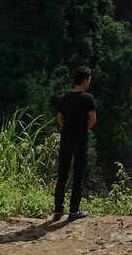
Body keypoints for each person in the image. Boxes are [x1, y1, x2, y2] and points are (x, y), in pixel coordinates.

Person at [54, 65, 96, 222]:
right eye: (89, 79)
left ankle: (58, 210)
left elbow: (60, 120)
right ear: (85, 80)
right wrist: (81, 128)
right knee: (78, 176)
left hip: (65, 141)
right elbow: (93, 120)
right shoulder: (88, 98)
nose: (89, 81)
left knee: (62, 175)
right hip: (81, 142)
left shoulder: (64, 98)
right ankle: (74, 211)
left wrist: (70, 126)